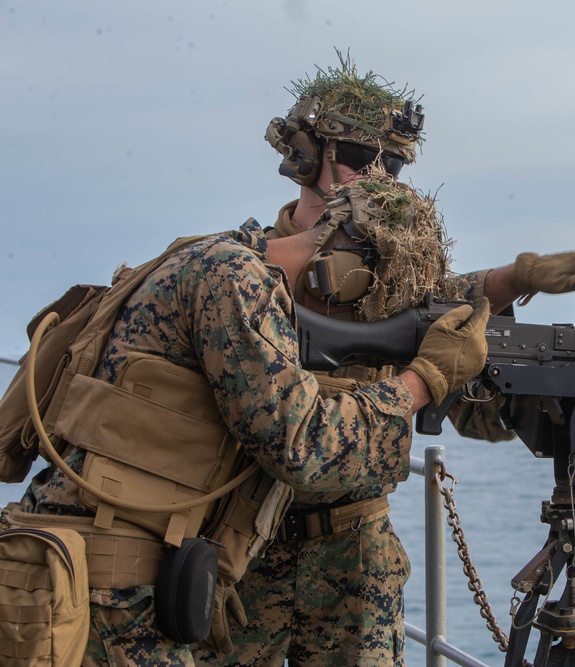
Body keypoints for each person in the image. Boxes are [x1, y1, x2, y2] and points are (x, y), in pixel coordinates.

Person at [195, 55, 575, 666]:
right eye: (356, 156)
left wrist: (515, 282)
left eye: (393, 164)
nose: (375, 177)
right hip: (244, 551)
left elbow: (455, 358)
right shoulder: (240, 272)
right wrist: (422, 380)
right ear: (304, 154)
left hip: (356, 559)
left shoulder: (398, 277)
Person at [0, 205, 491, 666]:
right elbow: (301, 446)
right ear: (347, 262)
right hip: (109, 589)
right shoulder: (233, 278)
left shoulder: (205, 254)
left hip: (86, 571)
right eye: (376, 290)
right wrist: (423, 380)